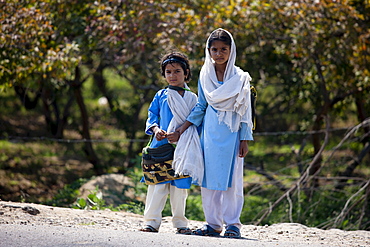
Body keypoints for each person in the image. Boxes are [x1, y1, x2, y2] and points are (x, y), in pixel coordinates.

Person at [176, 28, 254, 238]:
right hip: (210, 132)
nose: (219, 54)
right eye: (215, 49)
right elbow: (201, 105)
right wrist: (183, 128)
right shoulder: (205, 74)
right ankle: (213, 225)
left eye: (223, 49)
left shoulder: (240, 77)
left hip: (233, 132)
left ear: (231, 50)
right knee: (208, 180)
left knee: (233, 181)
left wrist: (245, 139)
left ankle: (233, 225)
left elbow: (245, 110)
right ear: (208, 51)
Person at [140, 51, 203, 234]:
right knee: (157, 186)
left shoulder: (193, 99)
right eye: (168, 72)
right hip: (160, 147)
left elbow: (196, 121)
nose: (172, 75)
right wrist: (156, 130)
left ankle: (181, 224)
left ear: (186, 73)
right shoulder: (161, 95)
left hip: (184, 149)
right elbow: (152, 116)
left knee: (179, 190)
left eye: (177, 71)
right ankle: (151, 223)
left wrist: (180, 134)